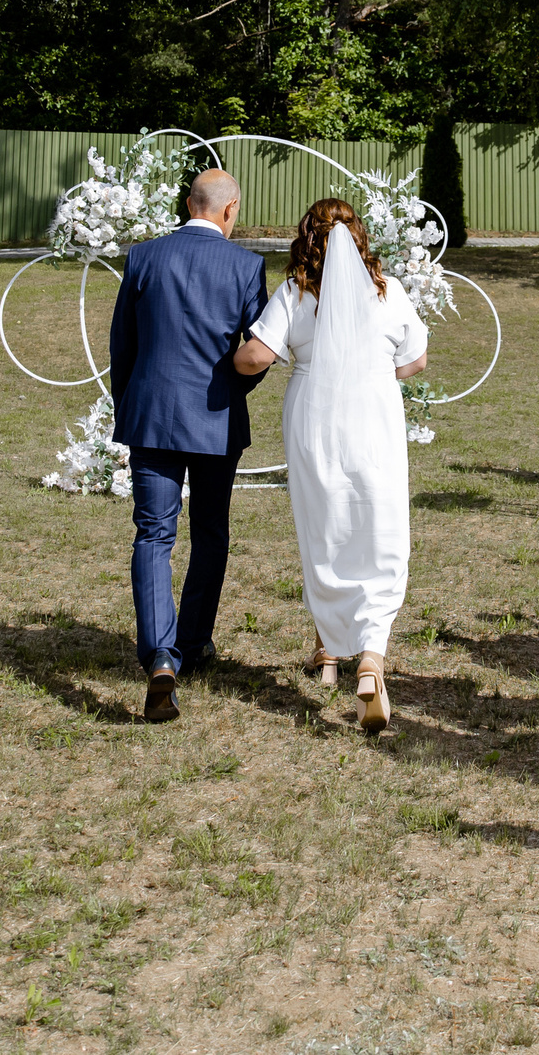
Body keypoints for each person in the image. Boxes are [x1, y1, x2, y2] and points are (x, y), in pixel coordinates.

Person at [234, 200, 429, 734]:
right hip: (374, 417)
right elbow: (415, 361)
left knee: (325, 527)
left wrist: (231, 358)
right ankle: (370, 654)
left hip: (314, 417)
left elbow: (255, 357)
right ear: (358, 239)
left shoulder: (296, 293)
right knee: (378, 524)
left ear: (307, 238)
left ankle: (326, 648)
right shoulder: (388, 293)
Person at [108, 169, 269, 724]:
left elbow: (122, 346)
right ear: (230, 211)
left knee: (154, 533)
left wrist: (129, 404)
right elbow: (258, 351)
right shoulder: (247, 266)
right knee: (211, 530)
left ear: (187, 204)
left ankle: (160, 655)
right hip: (217, 421)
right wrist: (234, 389)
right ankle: (194, 641)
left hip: (151, 414)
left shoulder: (144, 257)